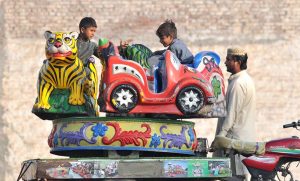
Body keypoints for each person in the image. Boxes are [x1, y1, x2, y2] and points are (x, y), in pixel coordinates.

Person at [213, 48, 256, 181]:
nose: (225, 62)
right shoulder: (245, 80)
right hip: (239, 141)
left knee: (232, 177)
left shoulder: (238, 84)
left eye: (228, 59)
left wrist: (220, 137)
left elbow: (231, 115)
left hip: (234, 143)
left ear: (237, 61)